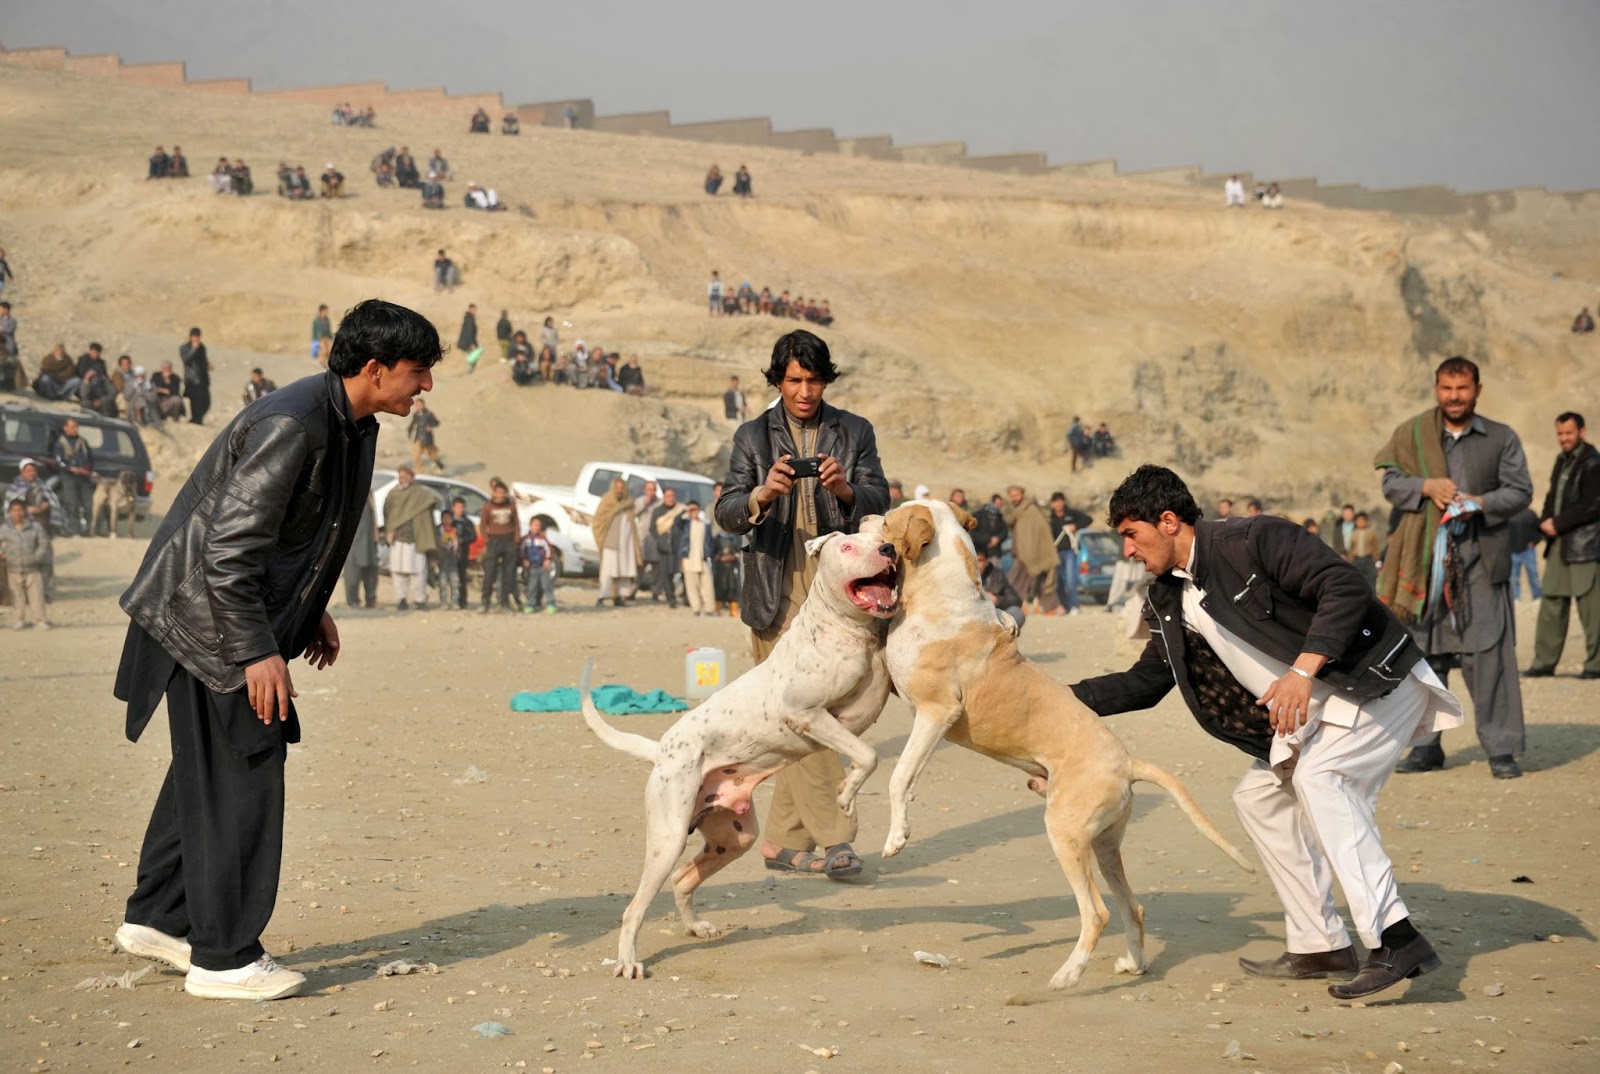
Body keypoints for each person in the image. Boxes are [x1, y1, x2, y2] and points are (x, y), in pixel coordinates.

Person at [111, 298, 439, 1001]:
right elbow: (229, 551)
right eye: (418, 372)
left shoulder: (353, 424)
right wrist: (257, 651)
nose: (426, 387)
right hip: (208, 624)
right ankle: (224, 959)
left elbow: (305, 531)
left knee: (211, 771)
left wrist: (311, 609)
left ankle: (159, 920)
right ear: (375, 369)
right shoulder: (294, 423)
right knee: (245, 773)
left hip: (226, 618)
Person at [1071, 464, 1462, 1000]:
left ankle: (1397, 939)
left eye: (1130, 535)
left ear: (1167, 521)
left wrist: (1302, 672)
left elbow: (1344, 586)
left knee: (1325, 782)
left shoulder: (1253, 538)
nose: (1129, 552)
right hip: (1315, 715)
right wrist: (1050, 704)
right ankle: (1320, 944)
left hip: (1373, 684)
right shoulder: (1167, 598)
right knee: (1259, 798)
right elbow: (1145, 682)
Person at [714, 328, 889, 879]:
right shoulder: (751, 437)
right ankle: (837, 836)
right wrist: (763, 493)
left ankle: (783, 840)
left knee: (818, 713)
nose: (805, 391)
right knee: (799, 710)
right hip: (776, 576)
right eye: (794, 380)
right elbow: (727, 510)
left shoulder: (853, 431)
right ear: (777, 381)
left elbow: (880, 499)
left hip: (837, 581)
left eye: (814, 380)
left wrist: (844, 491)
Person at [1379, 355, 1533, 779]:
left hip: (1481, 561)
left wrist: (1479, 503)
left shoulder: (1501, 438)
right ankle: (1426, 747)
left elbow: (1520, 491)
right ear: (1436, 389)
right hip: (1425, 562)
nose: (1454, 397)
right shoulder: (1412, 434)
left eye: (1462, 388)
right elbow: (1390, 482)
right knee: (1425, 658)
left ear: (1478, 390)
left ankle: (1501, 750)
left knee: (1489, 656)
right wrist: (1425, 486)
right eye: (1446, 388)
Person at [1527, 412, 1600, 679]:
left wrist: (1559, 522)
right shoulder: (1562, 460)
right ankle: (1544, 662)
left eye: (1568, 433)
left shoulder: (1593, 462)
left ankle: (1596, 664)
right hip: (1559, 543)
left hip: (1584, 546)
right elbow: (1551, 496)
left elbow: (1593, 504)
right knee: (1551, 605)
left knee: (1591, 608)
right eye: (1560, 433)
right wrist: (1544, 523)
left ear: (1582, 431)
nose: (1564, 438)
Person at [382, 464, 438, 611]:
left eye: (405, 476)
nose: (402, 479)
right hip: (397, 539)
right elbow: (387, 512)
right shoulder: (393, 494)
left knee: (418, 571)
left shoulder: (420, 493)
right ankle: (401, 600)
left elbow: (433, 500)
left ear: (412, 477)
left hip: (415, 539)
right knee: (398, 571)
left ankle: (420, 600)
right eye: (400, 476)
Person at [1004, 485, 1062, 615]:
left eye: (1016, 495)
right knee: (1017, 582)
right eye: (1011, 496)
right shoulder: (1017, 511)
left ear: (1022, 495)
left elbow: (1039, 533)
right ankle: (1012, 607)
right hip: (1021, 554)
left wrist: (1031, 551)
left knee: (1039, 582)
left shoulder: (1031, 510)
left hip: (1033, 554)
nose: (1014, 498)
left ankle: (1054, 608)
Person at [1, 498, 50, 629]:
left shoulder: (35, 527)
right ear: (10, 512)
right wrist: (2, 554)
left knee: (37, 596)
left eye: (20, 510)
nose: (18, 513)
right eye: (14, 510)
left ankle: (40, 620)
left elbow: (44, 543)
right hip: (13, 568)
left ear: (26, 511)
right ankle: (18, 620)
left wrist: (37, 557)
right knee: (16, 597)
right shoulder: (5, 528)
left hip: (33, 568)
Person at [592, 477, 639, 606]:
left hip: (626, 544)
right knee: (607, 571)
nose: (619, 490)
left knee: (624, 571)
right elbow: (598, 521)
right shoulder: (607, 501)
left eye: (622, 488)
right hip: (611, 543)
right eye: (617, 488)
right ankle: (603, 596)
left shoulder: (629, 503)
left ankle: (620, 596)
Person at [478, 479, 519, 612]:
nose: (501, 495)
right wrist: (486, 539)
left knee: (509, 572)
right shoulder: (488, 506)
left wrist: (516, 539)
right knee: (489, 572)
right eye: (498, 492)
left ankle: (504, 601)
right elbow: (483, 525)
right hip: (494, 540)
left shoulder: (511, 505)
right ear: (494, 493)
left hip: (509, 540)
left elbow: (516, 523)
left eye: (503, 492)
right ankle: (485, 601)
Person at [1050, 491, 1091, 614]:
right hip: (1055, 552)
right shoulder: (1049, 518)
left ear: (1064, 502)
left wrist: (1075, 526)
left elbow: (1088, 519)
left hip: (1070, 551)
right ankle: (1064, 605)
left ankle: (1075, 605)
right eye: (1055, 502)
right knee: (1058, 580)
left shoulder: (1072, 513)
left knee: (1070, 580)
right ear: (1052, 504)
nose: (1058, 504)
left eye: (1060, 501)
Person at [53, 416, 94, 537]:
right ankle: (73, 530)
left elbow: (91, 459)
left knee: (88, 504)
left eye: (76, 426)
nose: (75, 429)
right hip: (68, 476)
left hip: (84, 477)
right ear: (65, 428)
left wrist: (86, 469)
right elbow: (58, 461)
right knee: (72, 504)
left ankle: (88, 530)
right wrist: (70, 469)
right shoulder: (60, 443)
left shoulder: (83, 442)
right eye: (72, 426)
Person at [672, 500, 715, 614]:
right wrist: (686, 510)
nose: (694, 512)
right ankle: (696, 608)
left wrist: (709, 553)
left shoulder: (705, 524)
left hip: (703, 558)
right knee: (691, 585)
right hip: (688, 558)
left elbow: (710, 541)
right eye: (692, 510)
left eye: (696, 509)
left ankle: (709, 608)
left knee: (707, 585)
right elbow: (676, 521)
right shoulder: (685, 523)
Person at [975, 546, 1025, 630]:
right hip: (972, 617)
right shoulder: (962, 577)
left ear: (986, 561)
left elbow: (1016, 599)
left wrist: (997, 600)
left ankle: (1002, 637)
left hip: (994, 616)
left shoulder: (997, 574)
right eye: (973, 560)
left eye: (980, 560)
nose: (976, 564)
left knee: (1017, 613)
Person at [650, 487, 685, 608]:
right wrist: (660, 541)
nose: (671, 498)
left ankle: (686, 598)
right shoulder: (658, 511)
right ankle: (671, 599)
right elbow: (653, 529)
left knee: (681, 573)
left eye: (673, 496)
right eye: (668, 496)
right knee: (666, 575)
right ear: (664, 497)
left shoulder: (680, 510)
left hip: (678, 547)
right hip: (664, 547)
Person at [343, 494, 378, 609]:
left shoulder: (369, 494)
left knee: (371, 572)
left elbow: (373, 518)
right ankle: (353, 601)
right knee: (352, 574)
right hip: (352, 542)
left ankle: (371, 600)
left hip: (368, 540)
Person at [518, 516, 557, 614]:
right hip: (531, 567)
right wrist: (524, 560)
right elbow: (521, 551)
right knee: (531, 586)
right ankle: (531, 604)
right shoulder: (525, 539)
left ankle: (551, 603)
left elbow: (550, 550)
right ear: (530, 526)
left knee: (546, 585)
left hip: (542, 567)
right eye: (535, 525)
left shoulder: (542, 539)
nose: (537, 527)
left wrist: (547, 560)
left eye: (539, 525)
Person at [444, 496, 476, 611]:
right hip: (450, 554)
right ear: (453, 508)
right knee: (450, 578)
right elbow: (443, 533)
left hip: (462, 554)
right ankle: (451, 600)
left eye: (462, 507)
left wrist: (462, 540)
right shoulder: (449, 521)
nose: (460, 509)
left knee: (462, 578)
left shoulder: (467, 522)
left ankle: (463, 601)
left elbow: (473, 536)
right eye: (458, 507)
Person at [1507, 507, 1542, 601]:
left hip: (1528, 551)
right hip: (1512, 551)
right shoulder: (1507, 515)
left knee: (1533, 574)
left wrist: (1534, 541)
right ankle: (1515, 597)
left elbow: (1539, 530)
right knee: (1513, 577)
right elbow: (1503, 533)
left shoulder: (1530, 514)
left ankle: (1537, 595)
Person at [179, 327, 212, 425]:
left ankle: (197, 419)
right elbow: (186, 360)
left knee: (206, 402)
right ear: (190, 337)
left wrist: (208, 365)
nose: (196, 339)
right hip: (192, 380)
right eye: (194, 336)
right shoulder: (184, 348)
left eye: (197, 336)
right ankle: (196, 421)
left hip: (203, 379)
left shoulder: (202, 347)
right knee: (195, 402)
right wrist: (193, 349)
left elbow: (203, 360)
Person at [408, 398, 443, 472]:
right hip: (418, 436)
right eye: (416, 405)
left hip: (427, 437)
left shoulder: (429, 414)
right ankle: (417, 470)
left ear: (423, 405)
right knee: (416, 454)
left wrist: (430, 426)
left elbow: (437, 423)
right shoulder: (416, 414)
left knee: (432, 455)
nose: (418, 406)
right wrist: (409, 431)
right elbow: (413, 424)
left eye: (420, 405)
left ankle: (439, 463)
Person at [1347, 512, 1380, 589]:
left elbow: (1375, 547)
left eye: (1362, 521)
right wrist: (1349, 561)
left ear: (1366, 521)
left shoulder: (1371, 532)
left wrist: (1377, 561)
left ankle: (1373, 598)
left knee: (1371, 580)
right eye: (1358, 521)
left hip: (1368, 559)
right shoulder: (1354, 533)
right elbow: (1352, 548)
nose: (1360, 523)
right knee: (1355, 580)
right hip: (1357, 560)